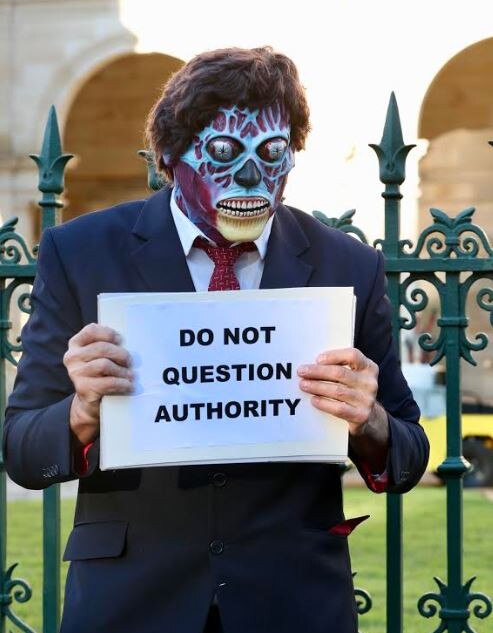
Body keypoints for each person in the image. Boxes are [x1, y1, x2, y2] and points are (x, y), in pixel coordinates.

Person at [3, 47, 429, 633]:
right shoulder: (81, 254)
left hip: (292, 600)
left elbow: (408, 456)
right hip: (131, 602)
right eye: (224, 153)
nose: (252, 177)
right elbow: (23, 452)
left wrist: (371, 421)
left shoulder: (347, 266)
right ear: (171, 155)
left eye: (273, 154)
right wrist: (80, 412)